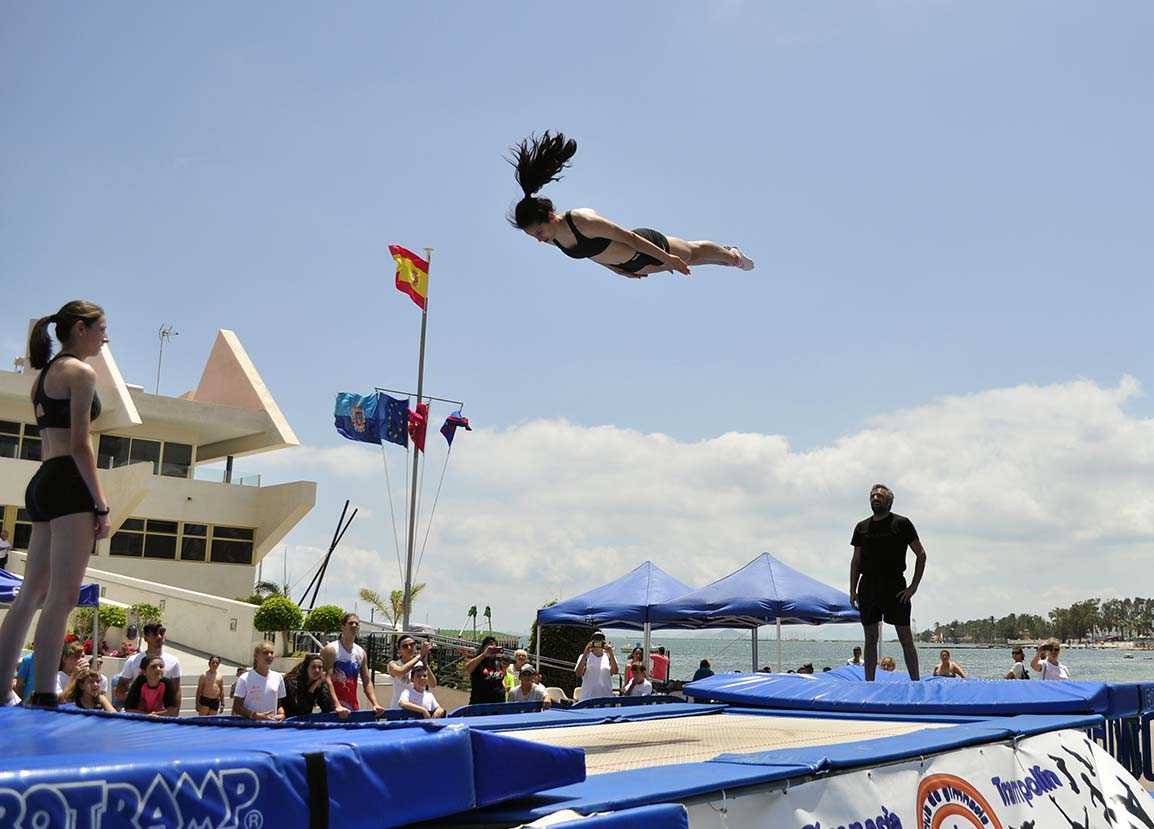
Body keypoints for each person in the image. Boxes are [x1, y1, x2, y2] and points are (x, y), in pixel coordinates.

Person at [0, 302, 111, 709]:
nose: (106, 338)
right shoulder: (81, 373)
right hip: (68, 482)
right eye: (101, 329)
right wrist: (101, 504)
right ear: (80, 328)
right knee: (62, 596)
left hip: (44, 480)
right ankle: (45, 692)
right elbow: (81, 443)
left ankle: (1, 688)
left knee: (30, 593)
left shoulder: (43, 377)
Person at [508, 131, 755, 280]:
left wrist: (667, 258)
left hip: (645, 246)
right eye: (533, 236)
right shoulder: (552, 238)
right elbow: (589, 253)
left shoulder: (582, 220)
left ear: (550, 216)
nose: (539, 239)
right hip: (629, 264)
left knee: (691, 253)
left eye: (538, 232)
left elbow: (629, 237)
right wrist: (614, 269)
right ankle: (726, 260)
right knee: (691, 261)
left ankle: (732, 256)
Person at [849, 483, 927, 682]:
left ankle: (916, 683)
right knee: (870, 639)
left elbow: (921, 554)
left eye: (880, 496)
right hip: (868, 586)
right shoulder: (861, 527)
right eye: (873, 496)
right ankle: (869, 684)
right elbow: (856, 560)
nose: (875, 498)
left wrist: (913, 587)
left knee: (905, 638)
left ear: (889, 501)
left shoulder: (902, 523)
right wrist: (852, 590)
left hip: (895, 586)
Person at [322, 613, 385, 715]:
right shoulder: (331, 649)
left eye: (357, 624)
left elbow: (367, 681)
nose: (354, 625)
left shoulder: (361, 652)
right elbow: (326, 678)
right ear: (342, 627)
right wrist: (337, 705)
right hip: (332, 708)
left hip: (352, 708)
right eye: (351, 623)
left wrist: (375, 703)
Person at [114, 622, 181, 706]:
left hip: (162, 711)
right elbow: (120, 689)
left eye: (161, 633)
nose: (159, 637)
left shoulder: (174, 661)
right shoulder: (133, 660)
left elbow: (176, 690)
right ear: (145, 638)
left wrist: (174, 710)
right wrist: (137, 701)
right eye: (154, 634)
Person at [282, 653, 349, 719]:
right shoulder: (292, 681)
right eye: (313, 667)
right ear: (306, 668)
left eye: (320, 667)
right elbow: (300, 709)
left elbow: (326, 707)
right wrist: (312, 688)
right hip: (287, 719)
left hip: (304, 719)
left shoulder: (319, 682)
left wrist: (338, 708)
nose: (317, 670)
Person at [232, 641, 286, 721]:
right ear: (256, 656)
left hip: (270, 725)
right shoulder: (244, 678)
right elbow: (237, 707)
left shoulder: (278, 677)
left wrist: (282, 714)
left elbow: (279, 704)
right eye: (265, 652)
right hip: (250, 725)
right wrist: (255, 715)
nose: (269, 655)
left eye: (271, 653)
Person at [387, 634, 436, 710]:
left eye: (412, 644)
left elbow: (432, 684)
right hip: (398, 708)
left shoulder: (420, 664)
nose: (409, 648)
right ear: (399, 650)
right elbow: (400, 671)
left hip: (417, 708)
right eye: (405, 646)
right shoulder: (393, 664)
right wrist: (420, 655)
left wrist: (425, 664)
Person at [463, 636, 507, 705]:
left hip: (498, 703)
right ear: (483, 648)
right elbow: (468, 669)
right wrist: (484, 655)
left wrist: (504, 668)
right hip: (480, 703)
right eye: (490, 648)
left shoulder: (498, 662)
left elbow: (500, 677)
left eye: (494, 648)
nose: (492, 650)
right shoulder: (478, 661)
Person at [575, 630, 618, 701]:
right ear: (591, 643)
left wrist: (611, 653)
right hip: (588, 698)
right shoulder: (584, 657)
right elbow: (578, 674)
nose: (598, 643)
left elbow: (615, 671)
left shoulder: (609, 656)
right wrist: (585, 653)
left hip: (606, 698)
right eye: (596, 641)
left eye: (600, 641)